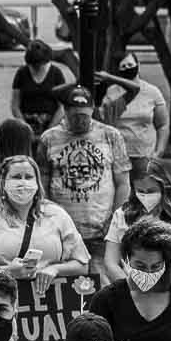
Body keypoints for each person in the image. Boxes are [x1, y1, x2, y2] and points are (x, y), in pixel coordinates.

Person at [0, 154, 91, 293]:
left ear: (37, 182)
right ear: (3, 183)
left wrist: (54, 269)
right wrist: (5, 272)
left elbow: (82, 265)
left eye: (29, 177)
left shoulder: (57, 215)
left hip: (48, 304)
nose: (23, 183)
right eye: (16, 177)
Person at [37, 87, 132, 251]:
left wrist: (114, 220)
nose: (80, 121)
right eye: (75, 116)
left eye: (85, 116)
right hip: (62, 231)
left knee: (102, 276)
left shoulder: (111, 135)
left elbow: (123, 183)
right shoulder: (49, 138)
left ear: (92, 109)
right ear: (65, 112)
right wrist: (50, 219)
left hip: (101, 231)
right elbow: (42, 183)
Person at [103, 159, 171, 284]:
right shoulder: (121, 214)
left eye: (151, 191)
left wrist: (162, 289)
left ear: (164, 187)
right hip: (129, 290)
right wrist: (131, 288)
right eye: (141, 191)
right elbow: (110, 263)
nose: (145, 195)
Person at [95, 52, 169, 165]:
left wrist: (158, 153)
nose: (128, 68)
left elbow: (162, 125)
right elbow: (105, 120)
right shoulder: (111, 92)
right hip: (118, 156)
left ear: (138, 65)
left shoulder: (153, 92)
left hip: (145, 156)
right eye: (123, 66)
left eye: (130, 65)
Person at [11, 40, 75, 135]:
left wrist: (50, 130)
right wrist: (25, 127)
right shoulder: (21, 73)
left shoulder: (56, 73)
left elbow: (62, 107)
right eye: (32, 66)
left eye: (39, 65)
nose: (36, 68)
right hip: (26, 125)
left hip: (51, 124)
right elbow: (15, 105)